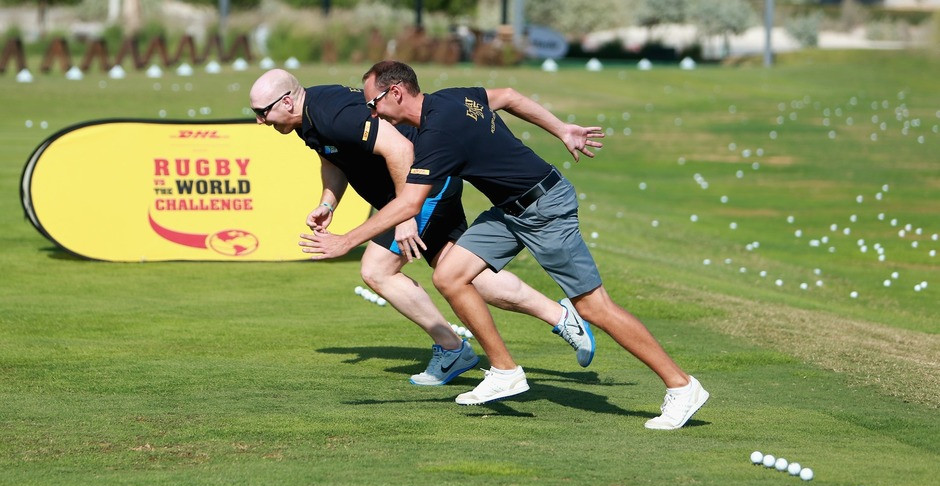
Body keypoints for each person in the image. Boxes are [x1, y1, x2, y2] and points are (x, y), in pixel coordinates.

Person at [299, 61, 709, 430]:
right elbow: (509, 97)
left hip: (545, 208)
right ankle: (505, 371)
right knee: (450, 275)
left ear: (396, 93)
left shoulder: (436, 137)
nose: (369, 112)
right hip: (510, 211)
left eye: (372, 103)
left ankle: (682, 385)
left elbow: (407, 203)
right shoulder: (450, 99)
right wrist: (561, 128)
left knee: (594, 307)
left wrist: (346, 241)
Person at [249, 69, 595, 387]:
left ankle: (452, 347)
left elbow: (401, 149)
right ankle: (561, 316)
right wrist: (328, 204)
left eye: (262, 112)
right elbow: (333, 160)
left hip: (422, 189)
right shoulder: (308, 121)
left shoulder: (332, 115)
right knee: (463, 274)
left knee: (377, 269)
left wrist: (405, 216)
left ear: (287, 101)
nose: (260, 121)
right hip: (418, 194)